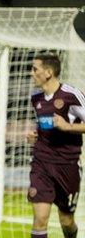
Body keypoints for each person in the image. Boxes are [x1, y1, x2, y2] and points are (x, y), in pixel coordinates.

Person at [26, 54, 83, 238]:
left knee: (66, 221)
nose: (31, 73)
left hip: (67, 166)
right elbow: (44, 124)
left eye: (35, 69)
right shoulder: (36, 98)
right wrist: (35, 136)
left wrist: (67, 126)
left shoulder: (71, 95)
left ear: (49, 72)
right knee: (40, 218)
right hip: (41, 164)